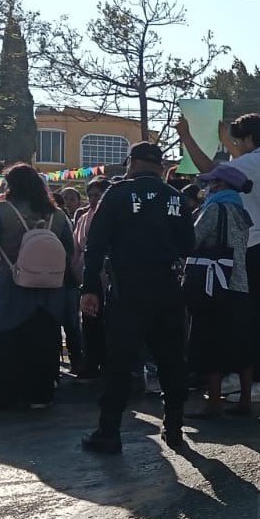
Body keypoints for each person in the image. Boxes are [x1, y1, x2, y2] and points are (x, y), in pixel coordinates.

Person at [175, 113, 260, 405]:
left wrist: (186, 136)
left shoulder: (255, 163)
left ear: (249, 139)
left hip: (258, 247)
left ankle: (259, 380)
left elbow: (213, 170)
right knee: (251, 315)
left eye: (238, 140)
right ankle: (248, 377)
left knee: (248, 317)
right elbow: (238, 167)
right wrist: (228, 138)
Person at [80, 143, 195, 453]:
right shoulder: (177, 198)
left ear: (131, 163)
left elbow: (95, 244)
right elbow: (189, 244)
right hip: (168, 287)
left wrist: (89, 287)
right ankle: (174, 427)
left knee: (119, 361)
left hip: (128, 288)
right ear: (159, 166)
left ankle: (109, 432)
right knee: (172, 360)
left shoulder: (116, 195)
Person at [0, 165, 74, 412]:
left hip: (5, 287)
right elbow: (69, 250)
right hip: (48, 291)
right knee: (42, 345)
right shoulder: (58, 215)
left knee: (3, 344)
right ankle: (40, 395)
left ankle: (3, 397)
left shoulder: (2, 210)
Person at [184, 164, 255, 418]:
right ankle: (245, 399)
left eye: (211, 183)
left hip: (213, 284)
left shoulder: (214, 208)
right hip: (240, 284)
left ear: (221, 185)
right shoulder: (241, 211)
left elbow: (192, 240)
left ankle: (214, 401)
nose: (207, 187)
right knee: (241, 344)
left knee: (209, 341)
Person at [72, 177, 110, 381]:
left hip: (108, 278)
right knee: (88, 321)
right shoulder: (84, 217)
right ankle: (91, 362)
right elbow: (76, 247)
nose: (94, 199)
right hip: (87, 277)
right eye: (91, 195)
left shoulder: (112, 216)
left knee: (107, 323)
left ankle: (106, 363)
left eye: (98, 195)